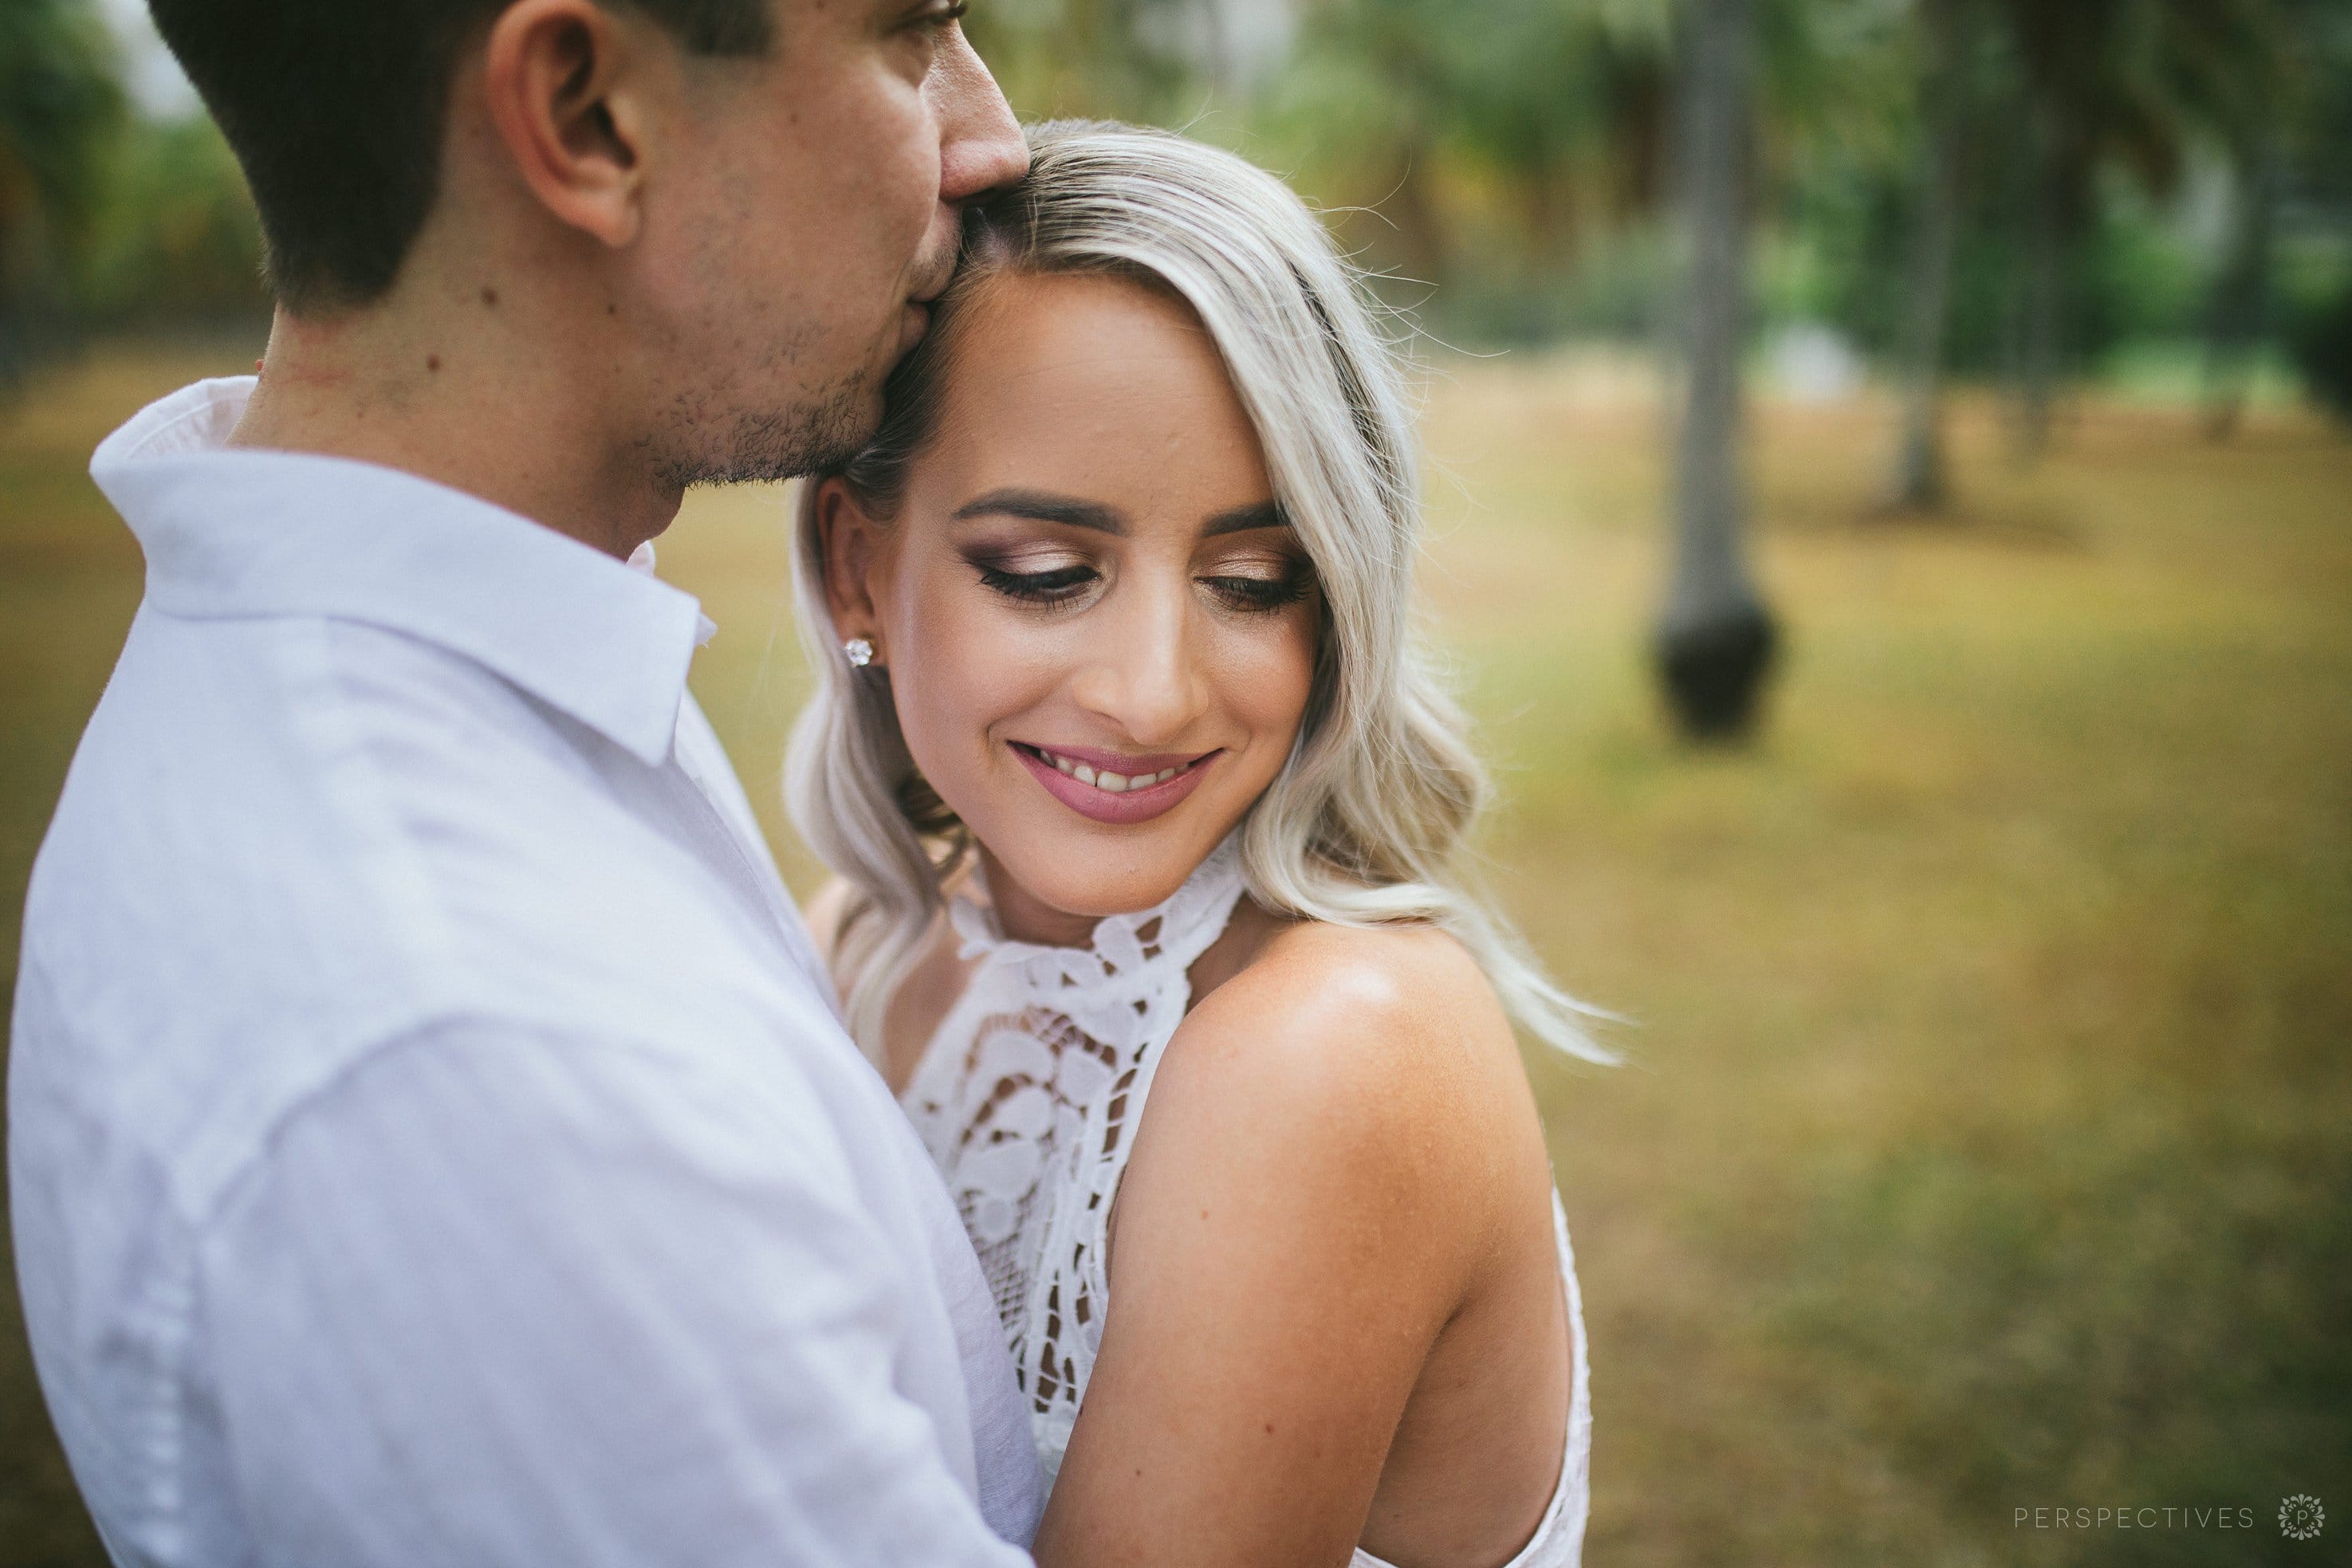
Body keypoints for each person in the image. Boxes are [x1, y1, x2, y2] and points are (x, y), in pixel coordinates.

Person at [8, 2, 1045, 1564]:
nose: (991, 137)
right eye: (911, 34)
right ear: (583, 114)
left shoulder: (472, 671)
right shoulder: (478, 1058)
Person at [794, 121, 1609, 1568]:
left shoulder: (1336, 1051)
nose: (1154, 693)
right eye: (1047, 574)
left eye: (1251, 581)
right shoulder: (856, 953)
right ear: (858, 566)